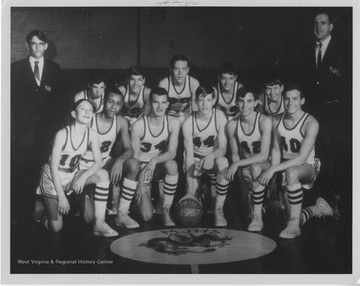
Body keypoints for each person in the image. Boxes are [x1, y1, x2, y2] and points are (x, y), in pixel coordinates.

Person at [258, 83, 335, 239]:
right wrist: (274, 177)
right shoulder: (277, 121)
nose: (290, 103)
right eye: (287, 99)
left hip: (308, 166)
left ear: (302, 100)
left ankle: (293, 226)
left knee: (291, 172)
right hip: (286, 167)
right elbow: (276, 150)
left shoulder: (311, 123)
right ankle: (317, 209)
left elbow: (301, 158)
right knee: (292, 218)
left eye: (295, 99)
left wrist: (273, 170)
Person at [36, 99, 117, 236]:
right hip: (53, 177)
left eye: (90, 110)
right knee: (56, 227)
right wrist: (61, 197)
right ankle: (40, 210)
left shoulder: (92, 134)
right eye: (83, 109)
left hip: (72, 175)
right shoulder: (62, 134)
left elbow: (98, 162)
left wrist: (84, 176)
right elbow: (53, 168)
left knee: (103, 174)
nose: (87, 112)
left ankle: (100, 223)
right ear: (74, 113)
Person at [11, 30, 66, 224]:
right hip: (23, 131)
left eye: (40, 44)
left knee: (43, 168)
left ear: (46, 46)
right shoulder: (16, 68)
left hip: (46, 130)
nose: (37, 47)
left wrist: (57, 129)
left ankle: (41, 207)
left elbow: (61, 102)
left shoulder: (55, 68)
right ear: (28, 46)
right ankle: (21, 213)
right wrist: (14, 129)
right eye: (33, 44)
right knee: (22, 170)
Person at [79, 88, 139, 230]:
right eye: (110, 102)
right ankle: (85, 196)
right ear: (104, 101)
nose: (114, 107)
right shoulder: (89, 119)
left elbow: (130, 149)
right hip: (84, 168)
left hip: (104, 164)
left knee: (134, 164)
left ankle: (122, 214)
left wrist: (119, 160)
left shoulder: (121, 121)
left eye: (118, 104)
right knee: (88, 219)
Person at [128, 87, 180, 227]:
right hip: (141, 168)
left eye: (163, 103)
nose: (160, 106)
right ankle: (138, 199)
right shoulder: (138, 126)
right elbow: (134, 158)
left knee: (172, 165)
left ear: (168, 104)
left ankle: (166, 211)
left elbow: (172, 152)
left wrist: (154, 160)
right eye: (156, 102)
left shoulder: (173, 123)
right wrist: (140, 183)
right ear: (150, 103)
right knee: (146, 216)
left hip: (156, 165)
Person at [225, 86, 272, 231]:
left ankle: (258, 217)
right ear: (237, 103)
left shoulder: (264, 121)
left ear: (256, 102)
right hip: (245, 165)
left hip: (265, 165)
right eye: (241, 101)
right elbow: (234, 154)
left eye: (249, 101)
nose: (245, 105)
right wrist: (238, 173)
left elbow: (263, 155)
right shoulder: (232, 124)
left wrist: (238, 164)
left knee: (255, 167)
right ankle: (254, 202)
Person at [182, 85, 229, 227]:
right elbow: (189, 155)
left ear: (214, 100)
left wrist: (211, 156)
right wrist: (190, 191)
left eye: (208, 100)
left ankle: (218, 209)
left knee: (223, 162)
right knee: (193, 203)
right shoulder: (188, 122)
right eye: (202, 100)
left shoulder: (220, 116)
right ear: (196, 101)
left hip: (212, 158)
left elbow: (223, 148)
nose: (205, 104)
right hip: (195, 160)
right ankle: (199, 191)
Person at [159, 54, 200, 125]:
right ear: (171, 70)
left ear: (188, 70)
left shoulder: (193, 83)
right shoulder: (164, 84)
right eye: (176, 69)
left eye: (183, 69)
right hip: (169, 118)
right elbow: (161, 109)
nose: (180, 73)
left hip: (188, 117)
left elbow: (195, 109)